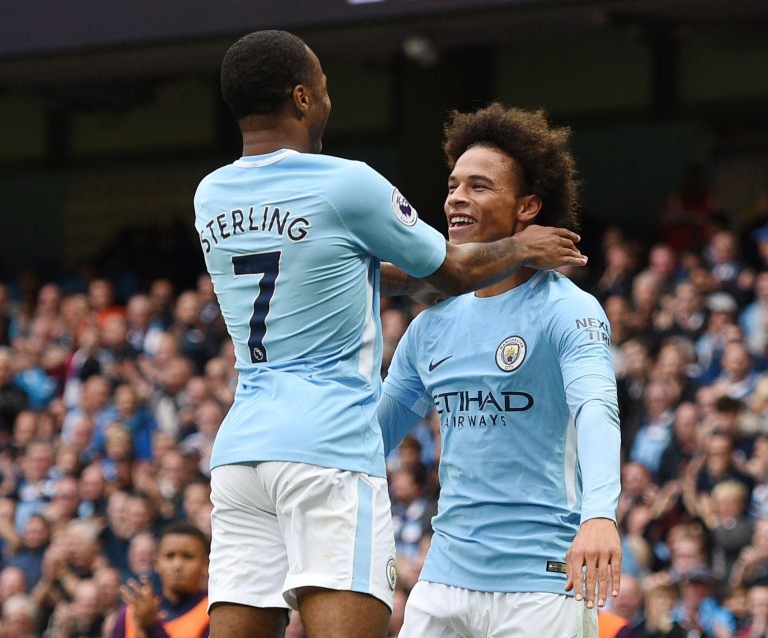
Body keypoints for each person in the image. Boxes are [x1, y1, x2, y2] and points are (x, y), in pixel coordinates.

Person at [195, 30, 587, 638]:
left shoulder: (210, 195)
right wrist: (519, 245)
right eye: (324, 86)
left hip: (242, 452)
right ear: (302, 98)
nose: (328, 98)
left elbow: (346, 274)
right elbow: (452, 271)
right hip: (326, 452)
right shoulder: (346, 182)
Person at [377, 103, 621, 636]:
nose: (456, 198)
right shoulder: (429, 326)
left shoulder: (569, 309)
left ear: (528, 206)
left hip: (543, 581)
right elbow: (373, 438)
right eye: (453, 185)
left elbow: (597, 409)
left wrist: (600, 514)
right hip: (442, 581)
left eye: (480, 186)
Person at [111, 522, 210, 638]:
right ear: (157, 562)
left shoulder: (213, 614)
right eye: (169, 556)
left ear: (205, 564)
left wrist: (152, 626)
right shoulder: (130, 613)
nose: (177, 565)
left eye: (187, 556)